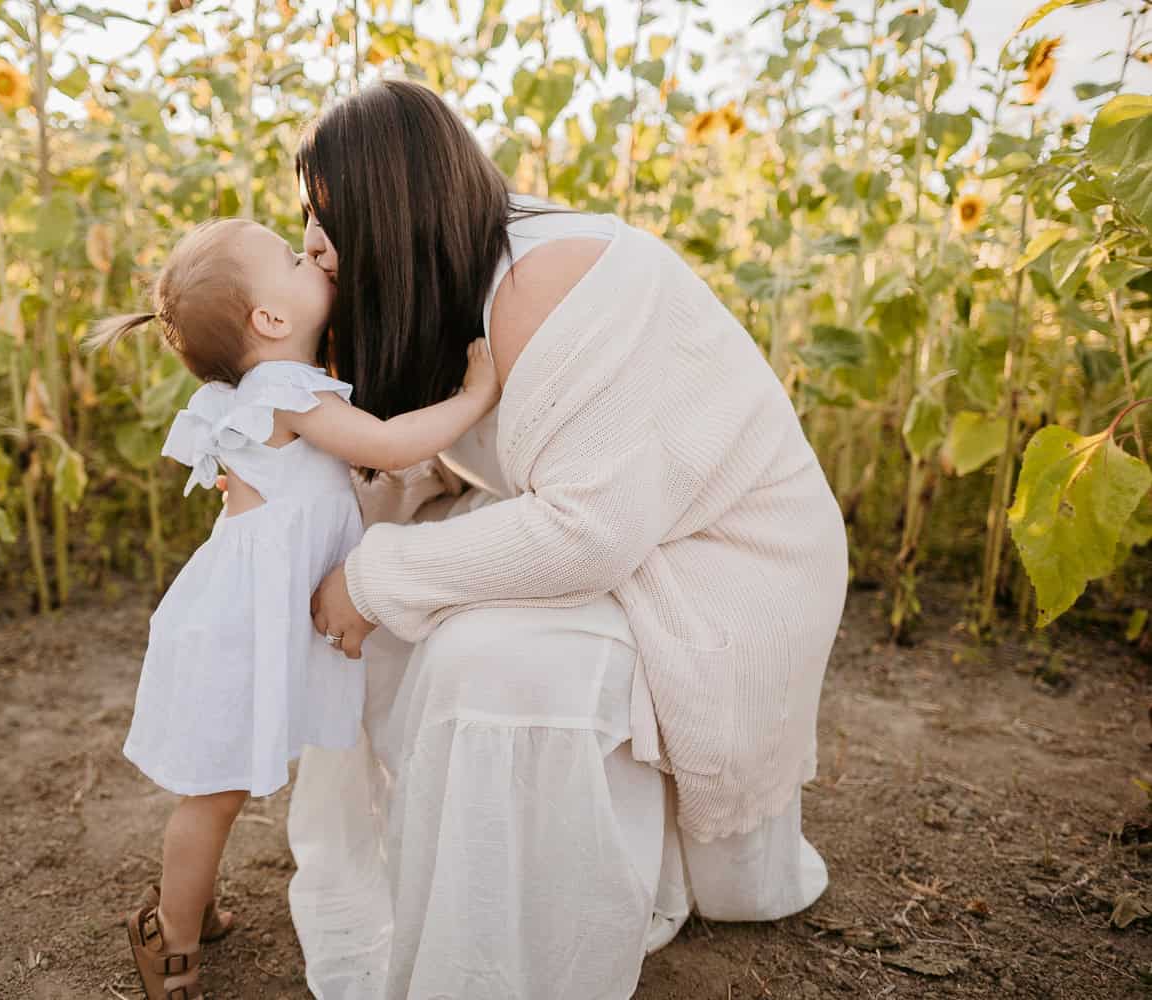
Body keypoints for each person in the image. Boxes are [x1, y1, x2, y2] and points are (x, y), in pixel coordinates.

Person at [291, 80, 850, 999]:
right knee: (390, 615)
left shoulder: (548, 275)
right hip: (643, 542)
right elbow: (461, 463)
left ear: (395, 205)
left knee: (490, 660)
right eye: (306, 215)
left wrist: (375, 574)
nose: (311, 242)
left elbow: (587, 532)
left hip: (724, 569)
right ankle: (442, 896)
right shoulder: (465, 277)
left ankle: (511, 964)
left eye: (328, 214)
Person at [87, 217, 501, 1000]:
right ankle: (168, 937)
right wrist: (476, 396)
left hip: (240, 612)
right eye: (292, 256)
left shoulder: (250, 392)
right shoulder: (287, 390)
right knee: (215, 790)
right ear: (271, 321)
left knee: (221, 780)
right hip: (245, 625)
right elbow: (385, 446)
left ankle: (194, 907)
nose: (312, 256)